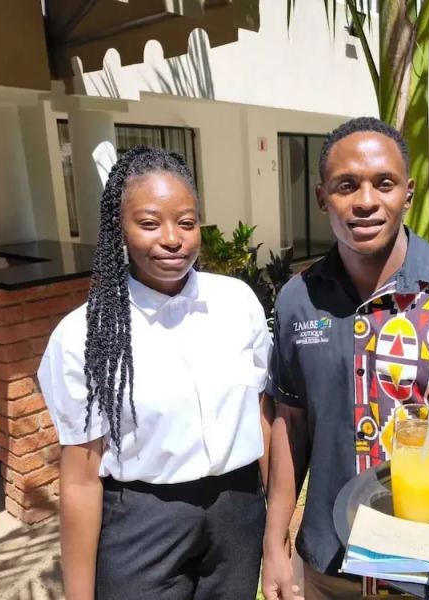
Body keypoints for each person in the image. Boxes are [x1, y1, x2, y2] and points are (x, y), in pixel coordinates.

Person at [261, 117, 429, 600]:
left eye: (383, 183)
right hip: (330, 563)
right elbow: (290, 422)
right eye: (346, 186)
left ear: (407, 193)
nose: (365, 201)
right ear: (323, 197)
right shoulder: (298, 299)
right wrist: (274, 542)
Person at [38, 146, 273, 600]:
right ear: (119, 229)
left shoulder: (237, 303)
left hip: (238, 513)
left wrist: (278, 522)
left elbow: (262, 412)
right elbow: (81, 479)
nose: (172, 238)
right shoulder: (84, 335)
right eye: (149, 223)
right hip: (145, 525)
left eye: (186, 222)